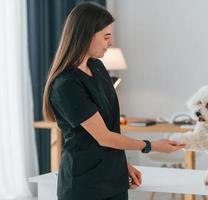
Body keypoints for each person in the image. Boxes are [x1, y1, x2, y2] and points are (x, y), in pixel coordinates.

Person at [42, 2, 185, 200]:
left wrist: (122, 164)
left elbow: (111, 128)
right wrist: (152, 145)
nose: (110, 43)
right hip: (85, 186)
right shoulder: (66, 85)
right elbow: (104, 137)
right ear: (85, 36)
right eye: (106, 36)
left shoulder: (98, 67)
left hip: (114, 181)